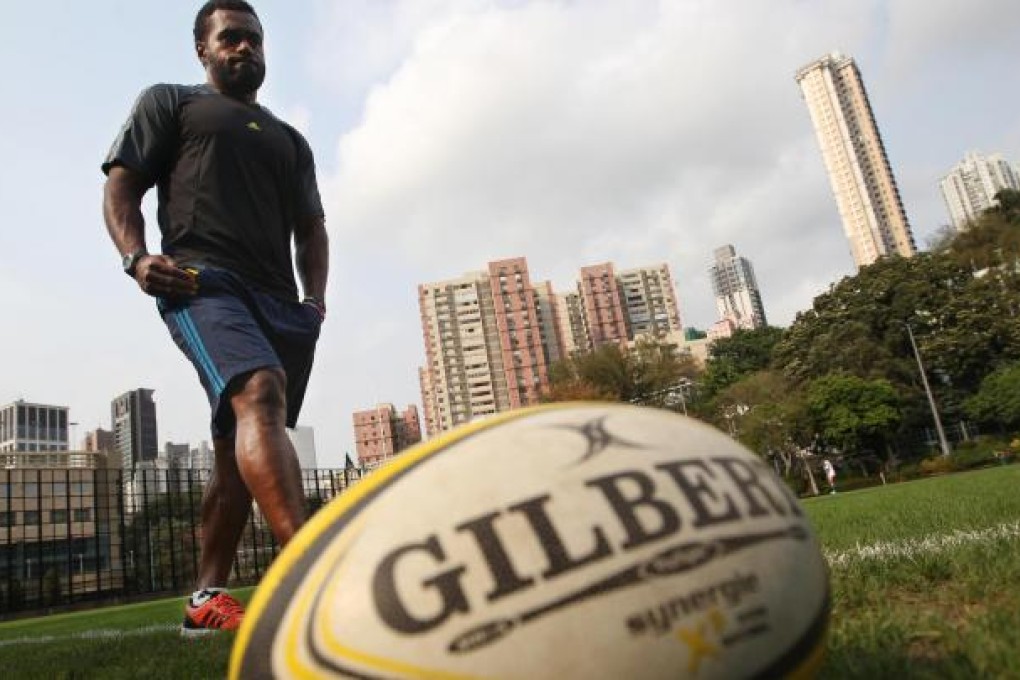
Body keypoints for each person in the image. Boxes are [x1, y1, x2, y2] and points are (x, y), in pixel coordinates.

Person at [101, 0, 328, 636]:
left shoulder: (290, 140)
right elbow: (121, 186)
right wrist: (136, 258)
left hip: (282, 304)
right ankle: (314, 571)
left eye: (254, 38)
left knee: (235, 453)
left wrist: (315, 301)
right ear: (202, 49)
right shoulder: (172, 102)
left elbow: (312, 227)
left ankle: (204, 601)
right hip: (202, 283)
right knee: (260, 390)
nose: (245, 47)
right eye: (230, 38)